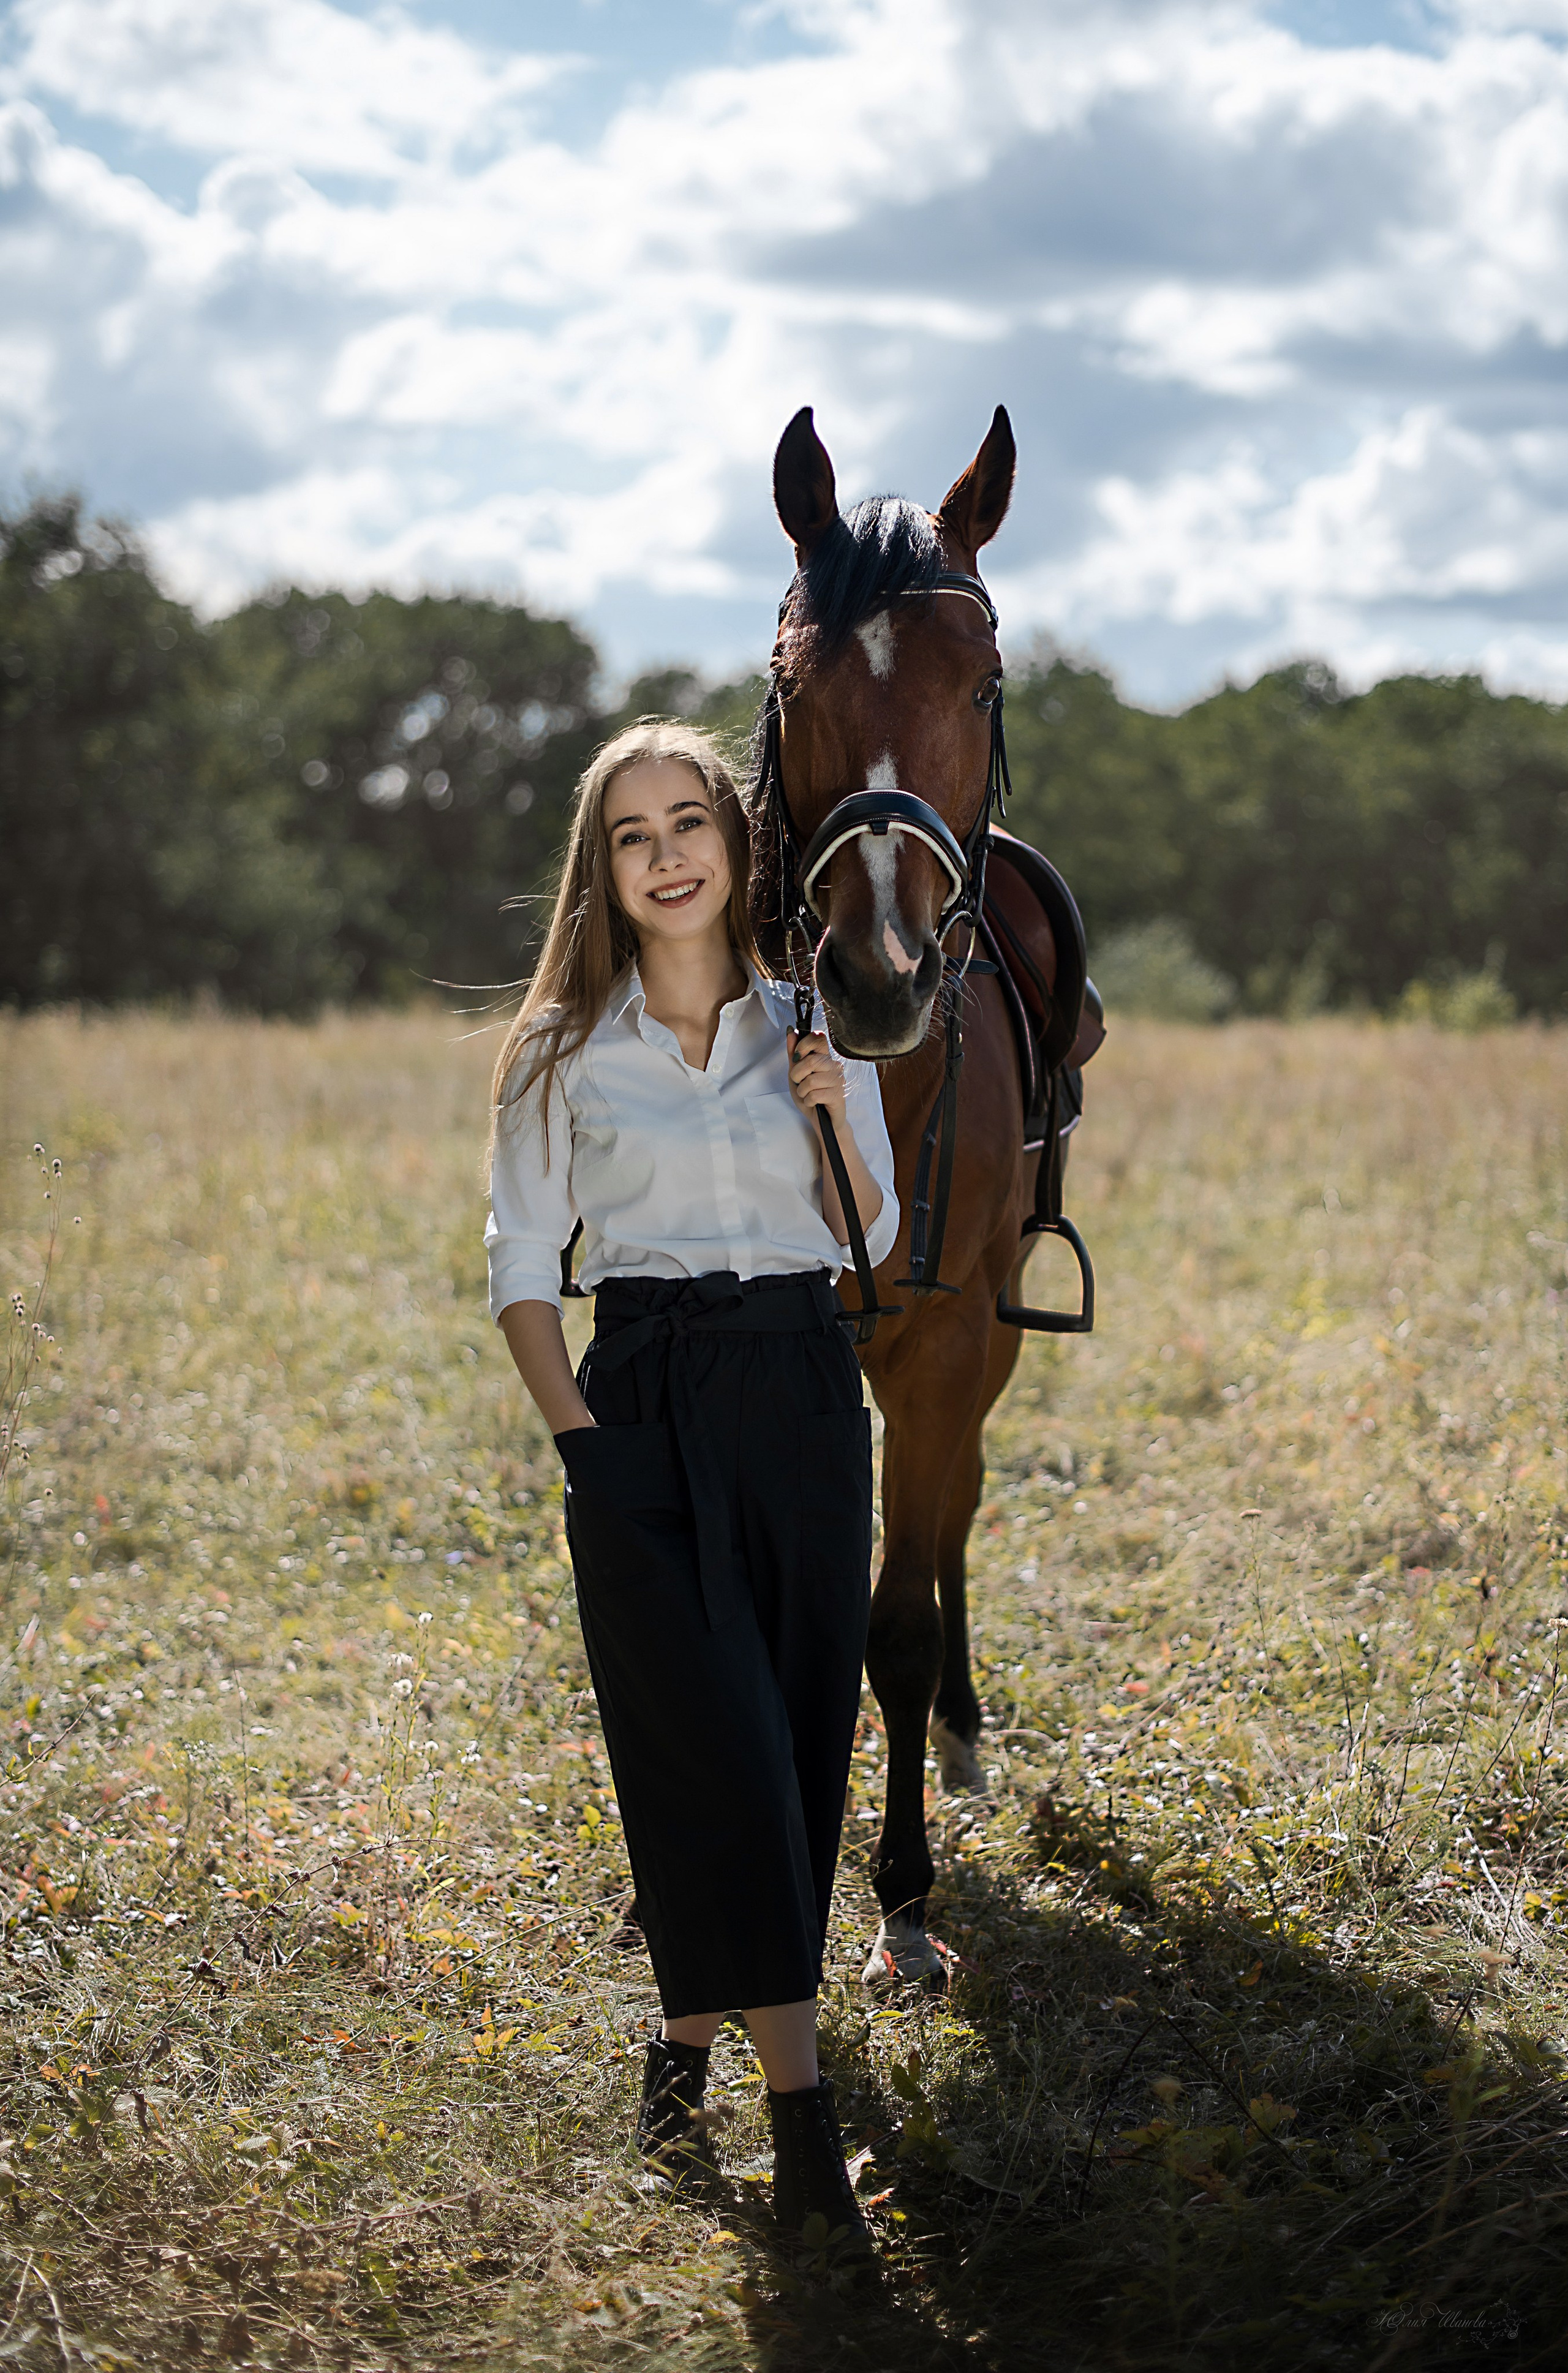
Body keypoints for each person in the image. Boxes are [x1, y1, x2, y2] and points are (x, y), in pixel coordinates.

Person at [485, 718, 898, 2250]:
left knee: (790, 1738)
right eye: (631, 835)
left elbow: (877, 1223)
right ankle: (805, 2132)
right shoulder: (557, 1049)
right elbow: (524, 1264)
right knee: (703, 1737)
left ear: (734, 847)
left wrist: (822, 1099)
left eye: (689, 824)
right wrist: (580, 1440)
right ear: (602, 869)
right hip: (644, 1387)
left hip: (798, 1382)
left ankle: (684, 2042)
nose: (665, 856)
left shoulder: (815, 1017)